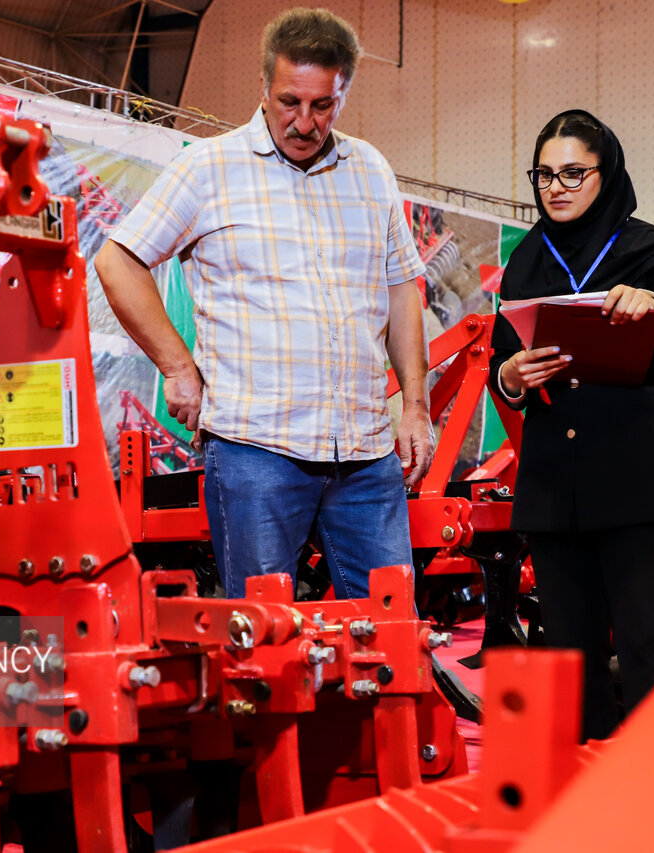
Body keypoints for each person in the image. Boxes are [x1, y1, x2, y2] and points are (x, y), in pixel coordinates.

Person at [95, 7, 433, 600]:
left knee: (389, 633)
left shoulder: (371, 170)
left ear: (343, 92)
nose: (303, 122)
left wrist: (416, 406)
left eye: (322, 105)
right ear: (263, 87)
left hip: (364, 454)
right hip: (257, 452)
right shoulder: (207, 168)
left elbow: (402, 287)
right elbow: (117, 261)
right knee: (263, 646)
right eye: (288, 102)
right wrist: (178, 368)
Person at [487, 110, 654, 740]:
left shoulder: (653, 252)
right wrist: (511, 377)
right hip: (554, 493)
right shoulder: (526, 260)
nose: (555, 187)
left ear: (605, 174)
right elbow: (504, 366)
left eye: (573, 172)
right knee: (568, 661)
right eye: (545, 174)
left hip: (634, 486)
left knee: (650, 648)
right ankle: (582, 808)